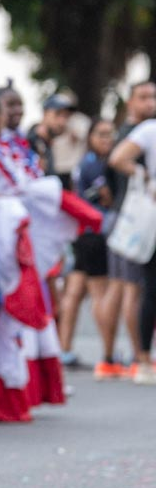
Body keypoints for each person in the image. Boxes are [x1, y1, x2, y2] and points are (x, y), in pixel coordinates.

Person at [96, 80, 156, 379]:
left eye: (153, 96)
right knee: (132, 290)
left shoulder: (128, 132)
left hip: (125, 217)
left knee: (120, 288)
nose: (150, 102)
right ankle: (137, 358)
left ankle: (111, 358)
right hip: (134, 220)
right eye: (143, 97)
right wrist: (144, 176)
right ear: (130, 101)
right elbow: (116, 162)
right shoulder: (140, 133)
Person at [57, 120, 116, 368]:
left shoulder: (84, 163)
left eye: (110, 134)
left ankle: (64, 350)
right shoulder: (96, 165)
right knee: (100, 292)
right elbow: (108, 198)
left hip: (82, 233)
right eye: (101, 134)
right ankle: (109, 356)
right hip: (94, 233)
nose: (107, 139)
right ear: (91, 137)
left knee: (74, 292)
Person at [27, 93, 73, 181]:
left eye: (66, 116)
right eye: (58, 114)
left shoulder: (46, 142)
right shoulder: (31, 142)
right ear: (45, 113)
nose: (62, 122)